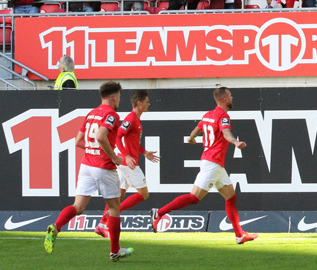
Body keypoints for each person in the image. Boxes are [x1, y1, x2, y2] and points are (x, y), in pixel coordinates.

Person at [151, 87, 257, 244]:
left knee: (231, 197)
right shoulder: (223, 116)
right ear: (225, 99)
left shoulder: (208, 115)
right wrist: (235, 142)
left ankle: (239, 234)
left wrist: (192, 138)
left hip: (215, 165)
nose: (232, 97)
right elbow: (226, 133)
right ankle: (159, 212)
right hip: (212, 163)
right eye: (230, 95)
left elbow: (196, 129)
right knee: (194, 198)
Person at [45, 82, 132, 261]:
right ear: (114, 97)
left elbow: (78, 141)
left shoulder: (91, 113)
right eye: (119, 97)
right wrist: (113, 156)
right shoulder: (111, 115)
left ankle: (56, 226)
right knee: (115, 207)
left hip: (87, 166)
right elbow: (100, 136)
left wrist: (94, 150)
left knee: (78, 206)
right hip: (103, 167)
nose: (119, 101)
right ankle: (115, 251)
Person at [94, 90, 160, 239]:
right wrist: (126, 155)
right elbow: (118, 136)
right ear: (139, 103)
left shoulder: (135, 119)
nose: (149, 104)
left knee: (119, 194)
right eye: (147, 102)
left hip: (125, 163)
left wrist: (144, 152)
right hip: (128, 164)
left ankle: (102, 224)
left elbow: (133, 142)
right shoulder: (131, 119)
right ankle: (109, 216)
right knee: (144, 194)